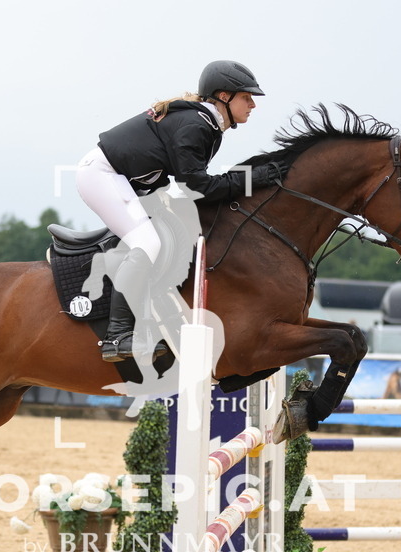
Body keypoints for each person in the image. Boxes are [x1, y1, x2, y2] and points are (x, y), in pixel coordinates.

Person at [76, 60, 287, 362]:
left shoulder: (205, 123)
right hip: (103, 176)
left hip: (126, 180)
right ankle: (117, 335)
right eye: (246, 97)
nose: (253, 104)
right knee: (147, 243)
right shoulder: (196, 125)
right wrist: (255, 179)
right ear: (224, 96)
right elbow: (198, 187)